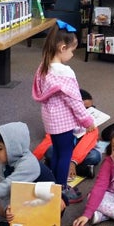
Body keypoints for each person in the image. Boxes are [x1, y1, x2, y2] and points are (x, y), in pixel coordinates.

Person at [32, 20, 95, 203]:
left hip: (50, 120)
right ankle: (60, 191)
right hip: (63, 122)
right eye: (72, 50)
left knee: (58, 152)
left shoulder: (43, 67)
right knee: (65, 156)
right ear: (62, 47)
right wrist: (87, 121)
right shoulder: (64, 72)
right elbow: (75, 101)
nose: (72, 54)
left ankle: (54, 185)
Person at [33, 89, 102, 180]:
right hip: (64, 150)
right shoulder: (62, 119)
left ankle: (55, 165)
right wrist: (32, 160)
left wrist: (73, 162)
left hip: (79, 154)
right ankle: (82, 170)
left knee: (95, 156)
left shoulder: (91, 124)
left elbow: (85, 144)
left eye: (91, 108)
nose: (87, 112)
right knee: (50, 150)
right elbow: (48, 141)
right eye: (84, 109)